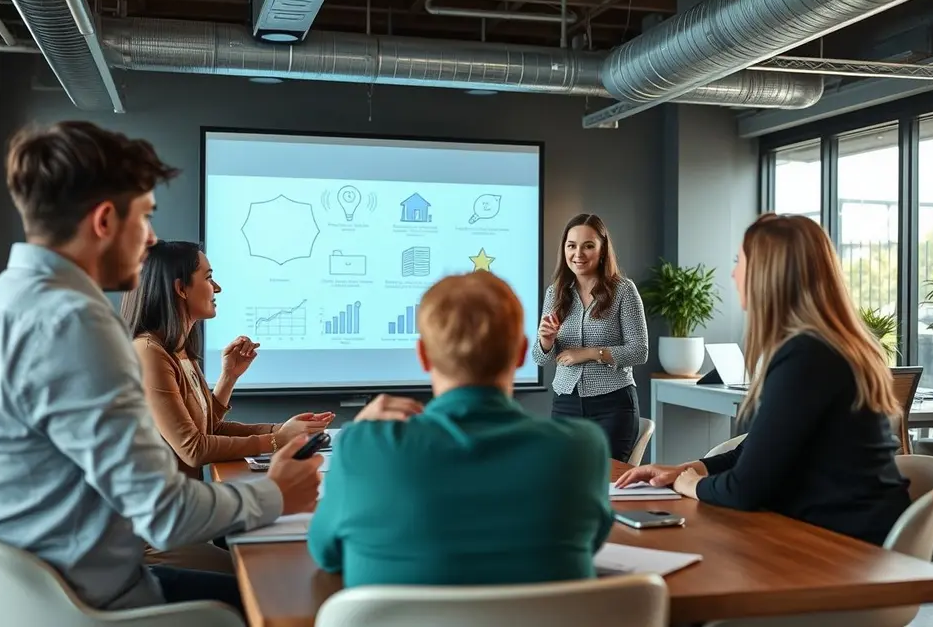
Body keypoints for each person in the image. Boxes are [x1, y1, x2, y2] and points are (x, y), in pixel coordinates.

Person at [0, 121, 323, 614]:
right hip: (103, 605)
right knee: (287, 598)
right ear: (104, 221)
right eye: (144, 217)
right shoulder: (75, 325)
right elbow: (166, 514)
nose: (151, 238)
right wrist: (276, 492)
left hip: (32, 600)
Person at [616, 213, 911, 546]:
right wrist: (686, 469)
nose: (733, 273)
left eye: (738, 261)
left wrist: (690, 485)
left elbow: (745, 489)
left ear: (766, 275)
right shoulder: (821, 347)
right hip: (841, 535)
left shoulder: (808, 356)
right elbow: (758, 449)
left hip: (845, 549)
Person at [308, 271, 614, 587]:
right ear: (522, 352)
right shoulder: (583, 448)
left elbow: (326, 553)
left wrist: (362, 431)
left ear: (423, 356)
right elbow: (588, 543)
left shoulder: (361, 448)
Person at [120, 239, 334, 572]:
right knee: (264, 572)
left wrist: (234, 382)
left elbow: (207, 427)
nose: (216, 286)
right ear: (180, 288)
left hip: (185, 521)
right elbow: (193, 448)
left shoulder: (177, 351)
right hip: (157, 539)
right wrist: (277, 439)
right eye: (208, 277)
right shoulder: (148, 353)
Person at [532, 213, 649, 462]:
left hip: (614, 404)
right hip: (566, 403)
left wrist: (589, 353)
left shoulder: (623, 291)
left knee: (606, 481)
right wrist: (547, 341)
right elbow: (540, 358)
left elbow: (640, 350)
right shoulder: (555, 293)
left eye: (588, 246)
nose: (578, 254)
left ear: (603, 249)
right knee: (563, 478)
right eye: (571, 246)